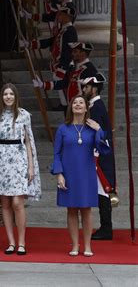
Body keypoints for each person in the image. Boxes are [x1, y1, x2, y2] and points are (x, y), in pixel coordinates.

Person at [52, 95, 111, 256]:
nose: (77, 105)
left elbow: (105, 149)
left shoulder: (92, 128)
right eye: (75, 103)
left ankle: (87, 246)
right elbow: (56, 154)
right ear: (71, 107)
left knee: (86, 210)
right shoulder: (63, 129)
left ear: (86, 108)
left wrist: (99, 130)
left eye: (81, 103)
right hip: (68, 174)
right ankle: (75, 245)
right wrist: (59, 174)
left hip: (87, 173)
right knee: (71, 210)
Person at [0, 83, 41, 256]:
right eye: (5, 94)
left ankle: (22, 242)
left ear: (16, 96)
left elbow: (28, 141)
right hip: (1, 160)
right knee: (5, 203)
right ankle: (11, 242)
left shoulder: (24, 115)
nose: (8, 97)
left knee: (17, 202)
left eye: (11, 94)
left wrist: (31, 166)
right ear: (2, 97)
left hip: (19, 160)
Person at [81, 74, 116, 240]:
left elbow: (101, 134)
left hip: (100, 156)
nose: (84, 89)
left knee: (103, 191)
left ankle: (107, 228)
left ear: (94, 88)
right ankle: (106, 227)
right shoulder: (95, 106)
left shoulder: (96, 107)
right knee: (101, 191)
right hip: (99, 154)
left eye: (86, 87)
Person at [33, 42, 97, 105]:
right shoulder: (73, 67)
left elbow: (93, 91)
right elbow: (65, 82)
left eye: (75, 51)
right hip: (73, 105)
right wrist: (43, 84)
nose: (72, 54)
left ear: (83, 53)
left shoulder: (90, 69)